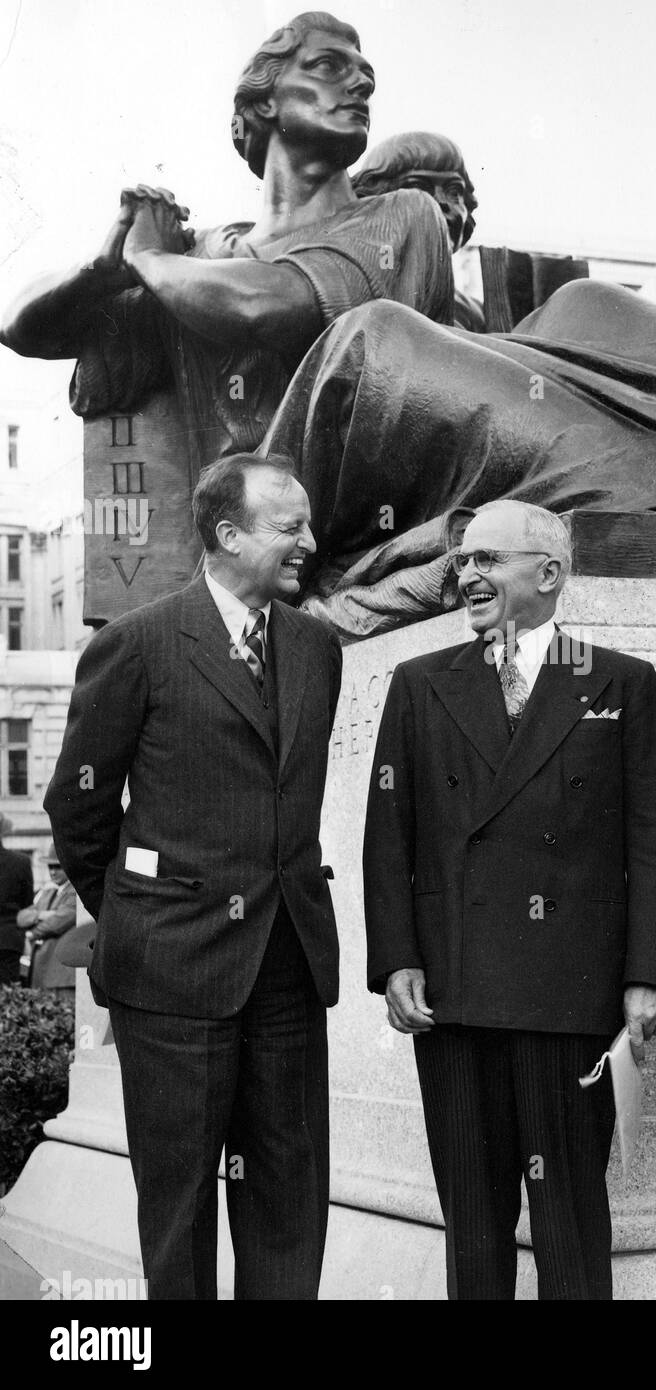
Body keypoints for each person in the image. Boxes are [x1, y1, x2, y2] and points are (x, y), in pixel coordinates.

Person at [362, 499, 656, 1299]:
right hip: (454, 992)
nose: (467, 575)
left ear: (549, 573)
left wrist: (650, 973)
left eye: (488, 560)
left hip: (570, 996)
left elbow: (654, 843)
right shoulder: (418, 683)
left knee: (569, 1221)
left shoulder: (622, 683)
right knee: (472, 1223)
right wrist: (395, 959)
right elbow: (388, 837)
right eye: (464, 561)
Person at [44, 453, 343, 1300]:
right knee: (178, 1207)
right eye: (290, 529)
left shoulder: (318, 648)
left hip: (286, 966)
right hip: (171, 974)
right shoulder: (136, 645)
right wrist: (141, 914)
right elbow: (79, 807)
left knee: (289, 1197)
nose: (310, 544)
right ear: (226, 534)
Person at [0, 12, 453, 472]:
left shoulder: (404, 214)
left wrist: (149, 256)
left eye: (365, 77)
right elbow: (19, 329)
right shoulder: (196, 261)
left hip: (362, 533)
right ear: (265, 102)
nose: (360, 85)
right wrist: (101, 270)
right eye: (330, 67)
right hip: (235, 538)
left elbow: (267, 306)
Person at [353, 130, 484, 330]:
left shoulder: (478, 313)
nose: (440, 202)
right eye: (420, 189)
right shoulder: (353, 292)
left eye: (454, 191)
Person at [18, 843, 77, 993]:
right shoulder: (47, 893)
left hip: (60, 973)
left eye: (58, 867)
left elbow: (57, 922)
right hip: (41, 971)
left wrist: (31, 933)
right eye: (50, 867)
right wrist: (41, 915)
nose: (52, 872)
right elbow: (21, 917)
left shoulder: (74, 893)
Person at [0, 816, 34, 986]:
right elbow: (27, 903)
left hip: (10, 939)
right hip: (9, 940)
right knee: (8, 1000)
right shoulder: (21, 862)